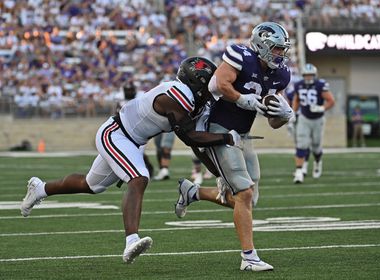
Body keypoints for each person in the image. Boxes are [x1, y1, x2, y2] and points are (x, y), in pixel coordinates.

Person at [20, 56, 243, 264]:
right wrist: (226, 138)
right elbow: (188, 137)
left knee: (91, 185)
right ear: (196, 83)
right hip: (116, 133)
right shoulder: (177, 94)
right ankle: (131, 241)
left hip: (132, 141)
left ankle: (40, 189)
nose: (211, 90)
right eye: (207, 84)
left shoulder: (196, 102)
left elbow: (197, 144)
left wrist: (218, 174)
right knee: (139, 178)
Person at [174, 22, 294, 271]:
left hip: (242, 134)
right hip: (217, 129)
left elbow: (273, 123)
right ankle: (249, 258)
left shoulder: (281, 75)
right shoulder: (241, 56)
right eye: (276, 49)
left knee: (249, 198)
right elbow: (217, 85)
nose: (280, 54)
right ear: (261, 45)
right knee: (245, 192)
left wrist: (283, 114)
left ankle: (193, 193)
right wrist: (243, 99)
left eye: (283, 50)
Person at [292, 63, 335, 184]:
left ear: (314, 75)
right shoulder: (298, 85)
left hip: (318, 119)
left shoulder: (320, 85)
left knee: (316, 145)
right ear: (303, 75)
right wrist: (293, 113)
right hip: (304, 118)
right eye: (306, 75)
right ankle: (299, 172)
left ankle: (317, 162)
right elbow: (296, 100)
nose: (308, 77)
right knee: (302, 144)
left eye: (310, 75)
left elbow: (331, 101)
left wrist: (322, 108)